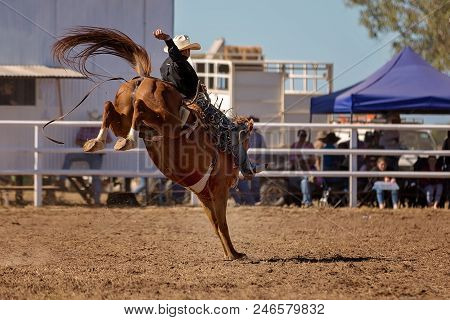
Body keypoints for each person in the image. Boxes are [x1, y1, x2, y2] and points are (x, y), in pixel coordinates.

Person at [153, 29, 264, 178]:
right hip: (195, 102)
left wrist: (197, 86)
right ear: (184, 51)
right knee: (231, 129)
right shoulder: (180, 62)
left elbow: (178, 82)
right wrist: (167, 39)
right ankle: (245, 167)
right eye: (188, 50)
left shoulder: (164, 66)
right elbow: (177, 59)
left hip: (180, 102)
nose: (189, 52)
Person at [60, 110, 110, 205]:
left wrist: (97, 144)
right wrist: (87, 144)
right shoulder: (86, 127)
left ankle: (97, 200)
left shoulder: (102, 128)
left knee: (95, 177)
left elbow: (108, 140)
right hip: (86, 152)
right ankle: (61, 179)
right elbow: (77, 141)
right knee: (69, 156)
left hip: (96, 154)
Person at [290, 129, 316, 207]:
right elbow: (292, 161)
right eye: (301, 136)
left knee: (304, 181)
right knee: (304, 179)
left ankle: (306, 201)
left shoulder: (310, 145)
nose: (303, 137)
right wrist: (300, 161)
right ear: (298, 136)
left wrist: (307, 161)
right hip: (298, 170)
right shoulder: (294, 146)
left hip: (308, 169)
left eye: (304, 136)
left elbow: (313, 160)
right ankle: (307, 201)